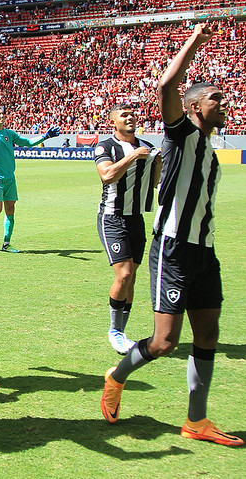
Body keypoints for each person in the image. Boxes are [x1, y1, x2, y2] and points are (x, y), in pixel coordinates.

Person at [100, 23, 244, 446]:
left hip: (205, 250)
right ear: (195, 106)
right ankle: (117, 374)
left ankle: (196, 421)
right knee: (164, 342)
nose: (224, 103)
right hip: (174, 249)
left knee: (208, 334)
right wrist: (193, 43)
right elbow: (166, 85)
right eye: (216, 98)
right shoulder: (181, 135)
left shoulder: (209, 149)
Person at [94, 104, 161, 354]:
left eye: (133, 114)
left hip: (136, 219)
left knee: (130, 277)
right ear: (114, 122)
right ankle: (114, 331)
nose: (130, 118)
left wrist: (157, 163)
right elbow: (107, 176)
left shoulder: (147, 147)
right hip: (112, 217)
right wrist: (133, 156)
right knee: (123, 274)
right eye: (124, 115)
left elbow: (154, 183)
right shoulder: (106, 147)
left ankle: (122, 331)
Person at [0, 107, 60, 252]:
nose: (2, 115)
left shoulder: (9, 134)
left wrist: (45, 136)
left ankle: (6, 244)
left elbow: (27, 142)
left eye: (3, 113)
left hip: (9, 177)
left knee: (10, 209)